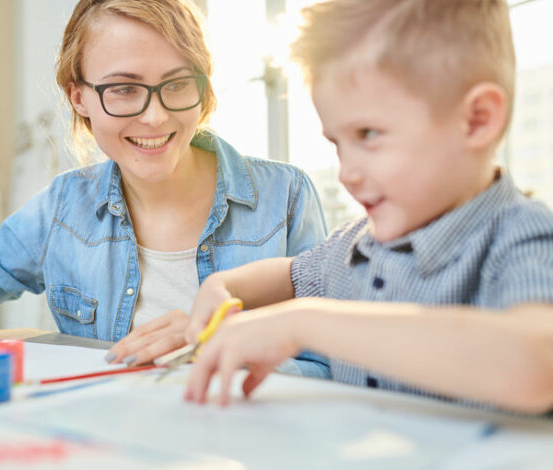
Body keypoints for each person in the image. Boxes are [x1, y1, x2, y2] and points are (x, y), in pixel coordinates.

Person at [0, 0, 328, 378]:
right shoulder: (61, 208)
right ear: (78, 97)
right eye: (124, 89)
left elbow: (332, 366)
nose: (155, 116)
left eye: (176, 84)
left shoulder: (285, 196)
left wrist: (220, 349)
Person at [183, 0, 553, 414]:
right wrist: (223, 287)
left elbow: (536, 365)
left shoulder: (524, 235)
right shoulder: (355, 244)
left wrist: (303, 323)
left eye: (368, 134)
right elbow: (288, 275)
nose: (347, 173)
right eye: (337, 143)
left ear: (477, 120)